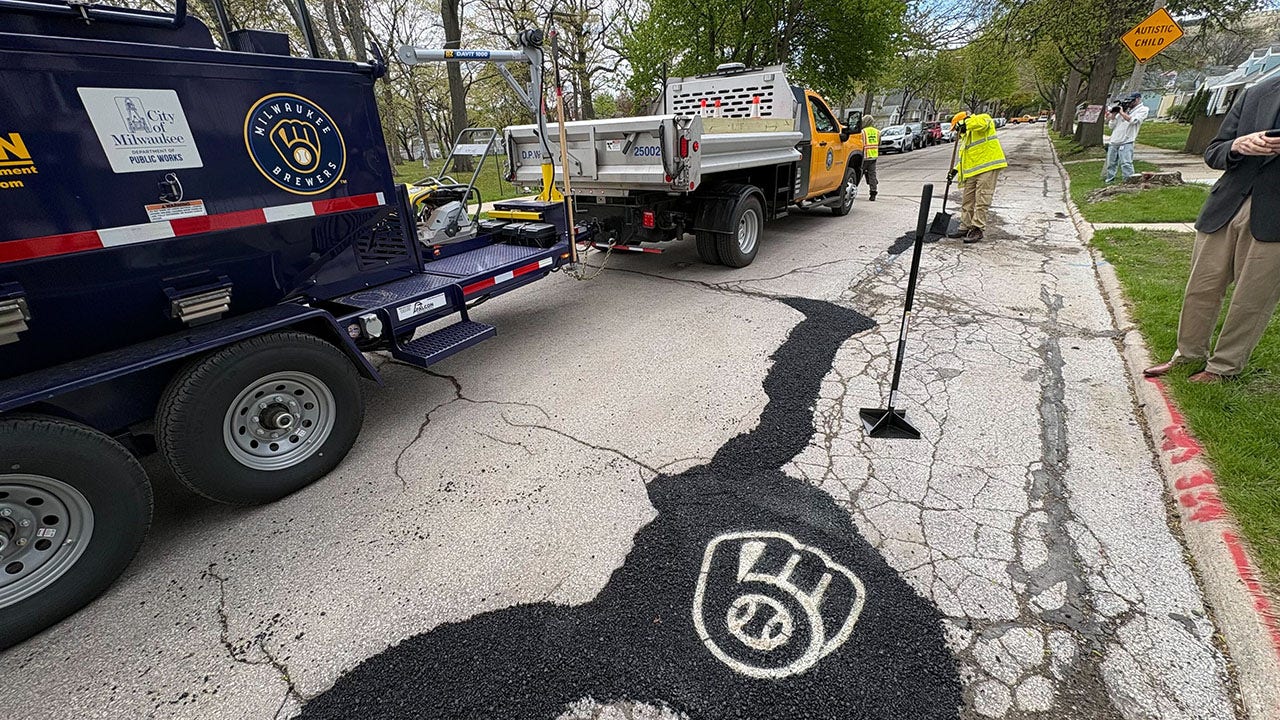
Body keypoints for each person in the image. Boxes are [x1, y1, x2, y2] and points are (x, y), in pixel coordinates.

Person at [1144, 76, 1280, 384]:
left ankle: (1223, 368)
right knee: (1201, 288)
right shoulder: (1257, 92)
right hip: (1226, 205)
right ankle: (1188, 355)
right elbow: (1213, 151)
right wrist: (1237, 146)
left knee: (1252, 298)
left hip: (1274, 218)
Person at [946, 111, 1007, 243]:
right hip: (972, 172)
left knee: (982, 199)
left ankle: (977, 229)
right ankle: (965, 226)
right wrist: (955, 170)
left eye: (956, 128)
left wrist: (965, 123)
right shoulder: (966, 137)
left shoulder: (982, 119)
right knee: (967, 200)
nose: (957, 132)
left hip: (988, 167)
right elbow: (965, 159)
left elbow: (981, 123)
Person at [1103, 92, 1149, 184]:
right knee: (1111, 163)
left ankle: (1129, 181)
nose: (1129, 103)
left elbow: (1133, 120)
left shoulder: (1143, 109)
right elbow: (1111, 126)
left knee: (1126, 163)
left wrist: (1121, 112)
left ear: (1137, 99)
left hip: (1127, 141)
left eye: (1131, 101)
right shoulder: (1125, 109)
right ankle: (1109, 180)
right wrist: (1113, 116)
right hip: (1114, 140)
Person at [860, 116, 880, 201]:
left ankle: (852, 190)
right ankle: (873, 192)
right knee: (872, 174)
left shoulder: (862, 132)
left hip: (864, 157)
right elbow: (879, 143)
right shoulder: (877, 132)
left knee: (858, 174)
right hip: (873, 157)